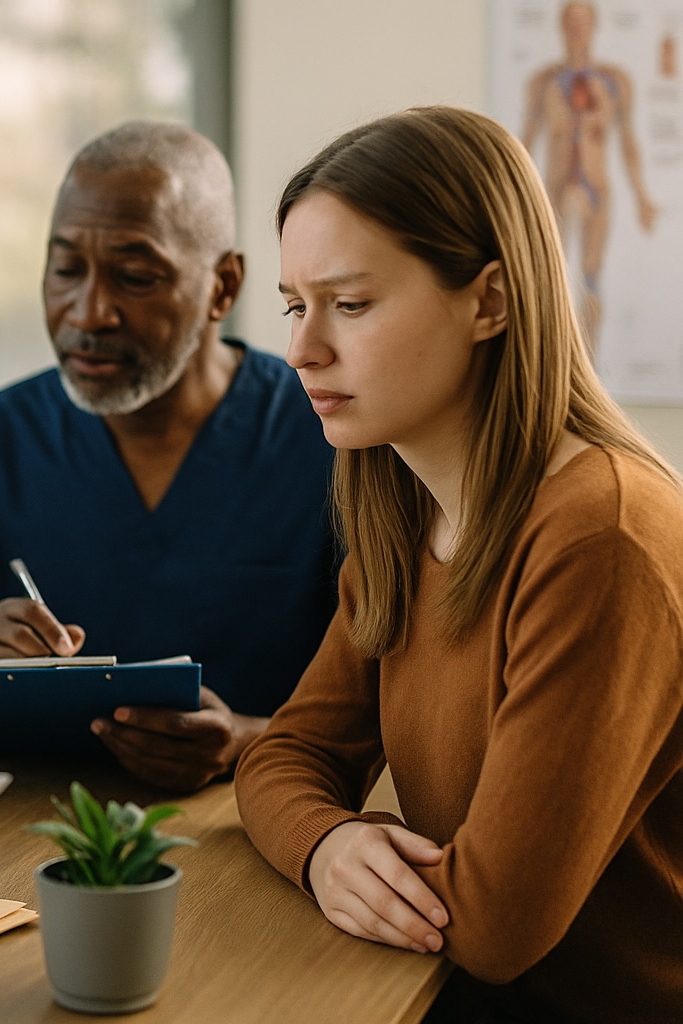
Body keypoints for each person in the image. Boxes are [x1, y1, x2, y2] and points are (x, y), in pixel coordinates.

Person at [237, 106, 683, 1023]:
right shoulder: (405, 519)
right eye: (294, 306)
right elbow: (285, 756)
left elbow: (492, 926)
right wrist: (326, 845)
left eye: (349, 304)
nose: (302, 350)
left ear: (490, 301)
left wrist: (347, 840)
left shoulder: (602, 538)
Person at [0, 121, 337, 793]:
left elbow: (389, 705)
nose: (88, 313)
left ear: (223, 287)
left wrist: (245, 740)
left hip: (246, 824)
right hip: (25, 824)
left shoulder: (328, 441)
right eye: (65, 270)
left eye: (135, 277)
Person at [522, 1, 658, 348]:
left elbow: (628, 142)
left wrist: (642, 197)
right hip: (556, 190)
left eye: (583, 21)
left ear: (594, 26)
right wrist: (514, 198)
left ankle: (589, 363)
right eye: (571, 21)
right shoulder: (543, 83)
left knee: (591, 276)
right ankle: (554, 356)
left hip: (596, 189)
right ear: (561, 26)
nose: (577, 29)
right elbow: (524, 144)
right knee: (551, 276)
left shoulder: (614, 82)